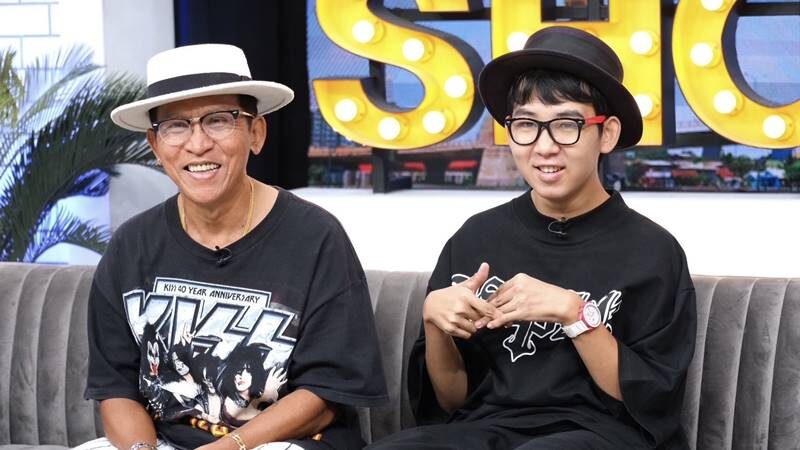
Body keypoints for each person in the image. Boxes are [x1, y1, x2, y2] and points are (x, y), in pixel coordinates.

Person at [368, 26, 696, 449]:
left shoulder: (652, 251)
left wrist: (574, 314)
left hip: (602, 434)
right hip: (486, 430)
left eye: (566, 124)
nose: (543, 147)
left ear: (607, 133)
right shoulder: (476, 237)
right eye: (526, 124)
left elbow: (651, 403)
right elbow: (452, 402)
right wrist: (434, 321)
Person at [77, 43, 388, 450]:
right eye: (175, 126)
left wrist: (228, 447)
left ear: (256, 133)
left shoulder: (316, 237)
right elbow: (115, 389)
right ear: (155, 145)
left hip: (283, 442)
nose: (197, 144)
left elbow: (324, 397)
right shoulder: (131, 245)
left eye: (218, 120)